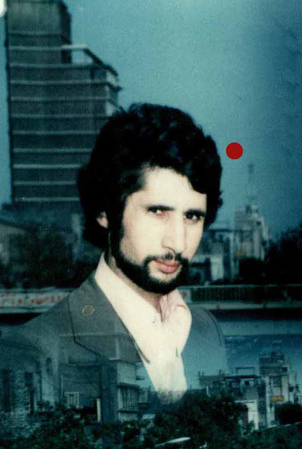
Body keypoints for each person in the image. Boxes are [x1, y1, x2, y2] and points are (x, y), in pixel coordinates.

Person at [16, 103, 228, 415]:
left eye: (192, 217)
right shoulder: (33, 349)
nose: (178, 242)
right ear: (105, 212)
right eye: (158, 212)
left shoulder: (206, 329)